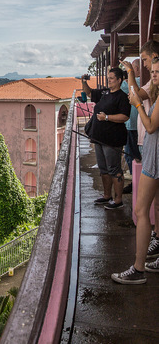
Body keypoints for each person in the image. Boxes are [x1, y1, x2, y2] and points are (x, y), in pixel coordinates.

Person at [115, 44, 159, 284]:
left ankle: (138, 269)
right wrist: (131, 73)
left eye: (155, 70)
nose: (151, 73)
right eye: (152, 70)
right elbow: (136, 93)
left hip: (155, 153)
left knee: (141, 210)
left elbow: (151, 125)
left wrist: (139, 106)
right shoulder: (154, 89)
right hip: (154, 151)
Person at [83, 66, 132, 210]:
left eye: (111, 79)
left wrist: (107, 117)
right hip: (99, 138)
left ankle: (118, 200)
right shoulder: (104, 93)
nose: (108, 81)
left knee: (114, 169)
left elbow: (125, 116)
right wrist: (84, 82)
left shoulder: (122, 97)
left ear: (119, 80)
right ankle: (106, 196)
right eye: (108, 78)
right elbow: (89, 93)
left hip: (112, 140)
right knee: (103, 169)